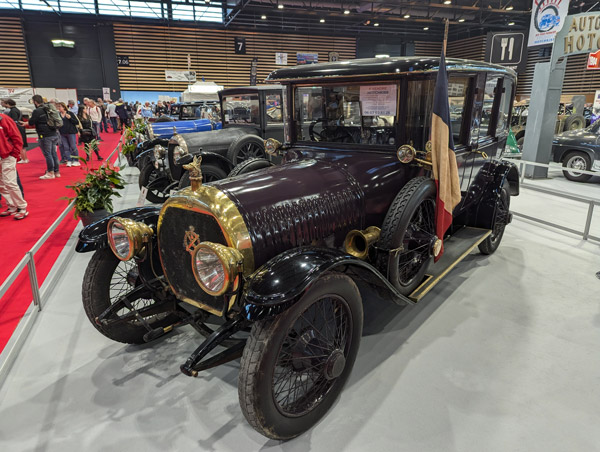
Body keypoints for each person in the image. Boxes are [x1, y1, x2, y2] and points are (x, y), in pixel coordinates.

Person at [0, 113, 28, 219]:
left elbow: (17, 137)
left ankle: (22, 207)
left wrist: (14, 154)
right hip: (4, 155)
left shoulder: (4, 119)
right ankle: (11, 206)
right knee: (2, 184)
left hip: (7, 155)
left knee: (10, 182)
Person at [25, 94, 60, 179]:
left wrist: (27, 123)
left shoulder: (37, 111)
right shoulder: (48, 108)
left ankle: (50, 172)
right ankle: (56, 172)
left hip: (45, 134)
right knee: (53, 153)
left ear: (35, 102)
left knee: (48, 154)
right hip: (54, 132)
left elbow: (31, 122)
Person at [1, 98, 28, 163]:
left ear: (8, 104)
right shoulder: (16, 110)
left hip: (17, 128)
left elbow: (14, 121)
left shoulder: (13, 111)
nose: (2, 104)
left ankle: (24, 159)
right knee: (22, 144)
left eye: (3, 103)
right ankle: (24, 158)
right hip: (19, 128)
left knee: (21, 144)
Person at [57, 102, 80, 166]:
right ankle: (69, 160)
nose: (59, 108)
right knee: (66, 147)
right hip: (62, 133)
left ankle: (76, 160)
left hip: (71, 132)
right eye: (58, 107)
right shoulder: (58, 115)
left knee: (73, 146)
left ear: (64, 107)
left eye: (60, 107)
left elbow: (76, 122)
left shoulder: (70, 113)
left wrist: (70, 118)